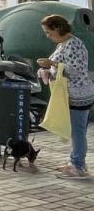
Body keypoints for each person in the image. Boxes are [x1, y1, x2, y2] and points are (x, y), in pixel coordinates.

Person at [36, 14, 94, 179]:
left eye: (48, 32)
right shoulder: (64, 44)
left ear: (57, 28)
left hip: (79, 94)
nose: (48, 36)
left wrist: (52, 64)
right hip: (73, 94)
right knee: (76, 131)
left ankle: (78, 167)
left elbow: (75, 71)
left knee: (78, 132)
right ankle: (74, 162)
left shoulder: (73, 45)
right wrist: (47, 69)